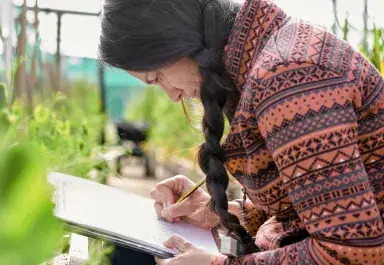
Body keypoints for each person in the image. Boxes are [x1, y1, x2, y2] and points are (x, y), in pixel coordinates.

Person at [98, 0, 384, 264]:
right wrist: (217, 212)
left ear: (174, 38)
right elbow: (303, 211)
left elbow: (354, 251)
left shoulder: (288, 76)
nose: (172, 96)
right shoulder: (263, 60)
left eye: (157, 77)